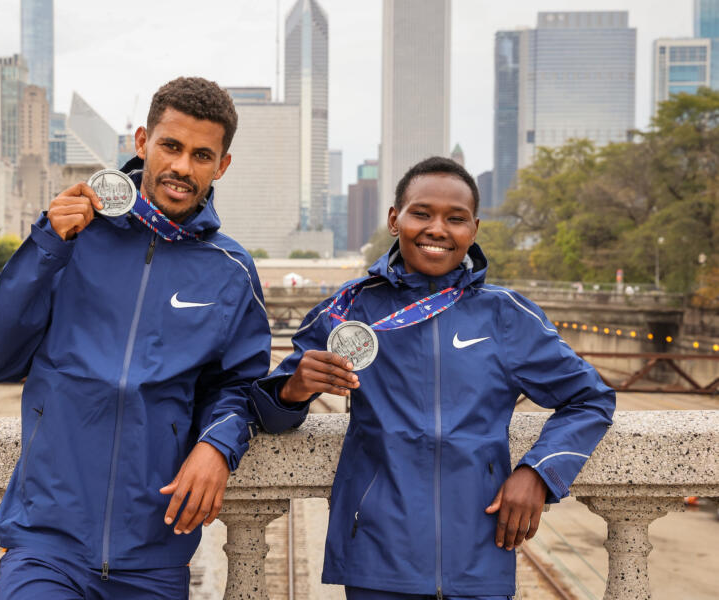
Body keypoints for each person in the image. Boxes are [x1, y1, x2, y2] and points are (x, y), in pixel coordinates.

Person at [250, 157, 616, 599]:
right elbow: (270, 414)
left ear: (474, 230)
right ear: (394, 219)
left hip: (482, 553)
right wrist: (295, 388)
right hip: (377, 557)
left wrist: (538, 473)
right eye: (421, 213)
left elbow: (590, 398)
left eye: (455, 218)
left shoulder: (505, 315)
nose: (437, 229)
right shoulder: (349, 311)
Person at [0, 77, 271, 599]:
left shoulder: (232, 270)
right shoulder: (72, 234)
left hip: (153, 556)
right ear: (141, 142)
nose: (182, 166)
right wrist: (45, 245)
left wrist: (217, 446)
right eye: (170, 146)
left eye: (202, 155)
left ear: (221, 166)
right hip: (47, 545)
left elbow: (239, 385)